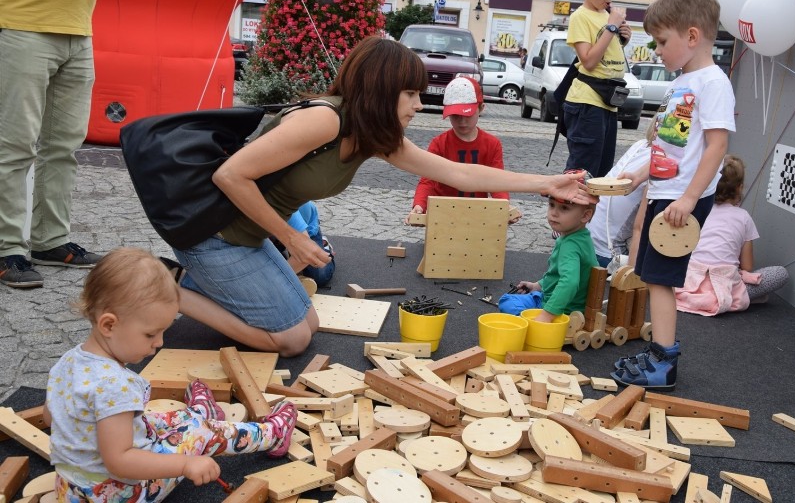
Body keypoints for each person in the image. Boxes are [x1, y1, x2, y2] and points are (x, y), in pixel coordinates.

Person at [170, 36, 595, 358]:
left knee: (310, 318)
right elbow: (230, 175)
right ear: (379, 89)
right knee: (293, 338)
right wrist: (293, 237)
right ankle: (172, 290)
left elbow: (456, 171)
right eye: (409, 94)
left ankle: (201, 285)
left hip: (247, 238)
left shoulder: (376, 136)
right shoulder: (323, 120)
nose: (418, 104)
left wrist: (545, 183)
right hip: (212, 233)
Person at [45, 248, 297, 501]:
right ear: (109, 324)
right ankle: (271, 436)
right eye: (150, 334)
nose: (160, 342)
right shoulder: (114, 385)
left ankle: (197, 414)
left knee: (163, 418)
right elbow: (120, 462)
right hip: (119, 492)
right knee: (200, 432)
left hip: (72, 490)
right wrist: (185, 465)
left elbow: (51, 416)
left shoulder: (68, 363)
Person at [610, 0, 735, 391]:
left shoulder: (712, 83)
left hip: (682, 200)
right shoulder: (683, 83)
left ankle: (664, 361)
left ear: (692, 36)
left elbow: (717, 146)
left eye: (662, 42)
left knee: (661, 279)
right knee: (650, 273)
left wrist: (688, 197)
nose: (657, 51)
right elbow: (671, 147)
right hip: (666, 194)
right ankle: (659, 352)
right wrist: (641, 176)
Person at [0, 0, 119, 288]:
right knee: (13, 145)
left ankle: (50, 240)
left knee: (64, 147)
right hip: (19, 23)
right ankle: (6, 249)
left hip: (77, 29)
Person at [675, 155, 789, 315]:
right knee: (779, 273)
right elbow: (747, 266)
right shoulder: (744, 217)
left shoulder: (695, 210)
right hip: (725, 286)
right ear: (739, 188)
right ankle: (724, 298)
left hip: (687, 282)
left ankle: (700, 298)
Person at [405, 76, 519, 224]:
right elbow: (427, 180)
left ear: (481, 108)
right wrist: (419, 205)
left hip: (478, 215)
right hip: (443, 214)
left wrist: (504, 206)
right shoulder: (439, 143)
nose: (462, 121)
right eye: (455, 116)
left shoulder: (492, 144)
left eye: (467, 114)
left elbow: (497, 181)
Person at [562, 0, 632, 178]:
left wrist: (623, 38)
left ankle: (590, 215)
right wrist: (611, 29)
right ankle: (567, 212)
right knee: (583, 174)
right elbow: (589, 61)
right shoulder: (580, 17)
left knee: (602, 174)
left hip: (608, 103)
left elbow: (608, 57)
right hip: (587, 103)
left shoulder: (607, 16)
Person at [497, 195, 597, 323]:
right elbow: (556, 276)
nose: (554, 213)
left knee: (507, 301)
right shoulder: (580, 237)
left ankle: (532, 325)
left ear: (585, 215)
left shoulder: (570, 245)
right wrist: (537, 285)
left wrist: (547, 314)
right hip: (557, 301)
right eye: (551, 205)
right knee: (512, 300)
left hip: (562, 309)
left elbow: (570, 282)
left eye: (564, 208)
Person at [587, 140, 650, 269]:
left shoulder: (641, 145)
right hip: (607, 254)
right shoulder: (664, 161)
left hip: (585, 241)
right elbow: (640, 229)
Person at [273, 201, 335, 287]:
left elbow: (306, 251)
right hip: (271, 234)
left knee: (319, 276)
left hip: (304, 231)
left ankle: (325, 247)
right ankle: (279, 249)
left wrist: (274, 280)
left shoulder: (284, 208)